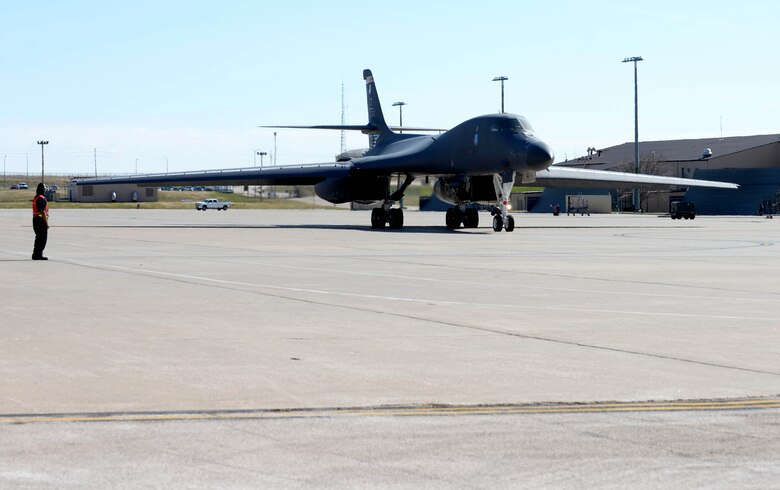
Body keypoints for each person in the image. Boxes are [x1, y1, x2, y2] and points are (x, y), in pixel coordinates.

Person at [32, 183, 49, 260]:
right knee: (42, 239)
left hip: (36, 220)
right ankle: (38, 254)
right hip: (40, 220)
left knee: (38, 238)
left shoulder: (36, 197)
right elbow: (42, 211)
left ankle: (36, 254)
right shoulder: (41, 198)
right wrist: (46, 223)